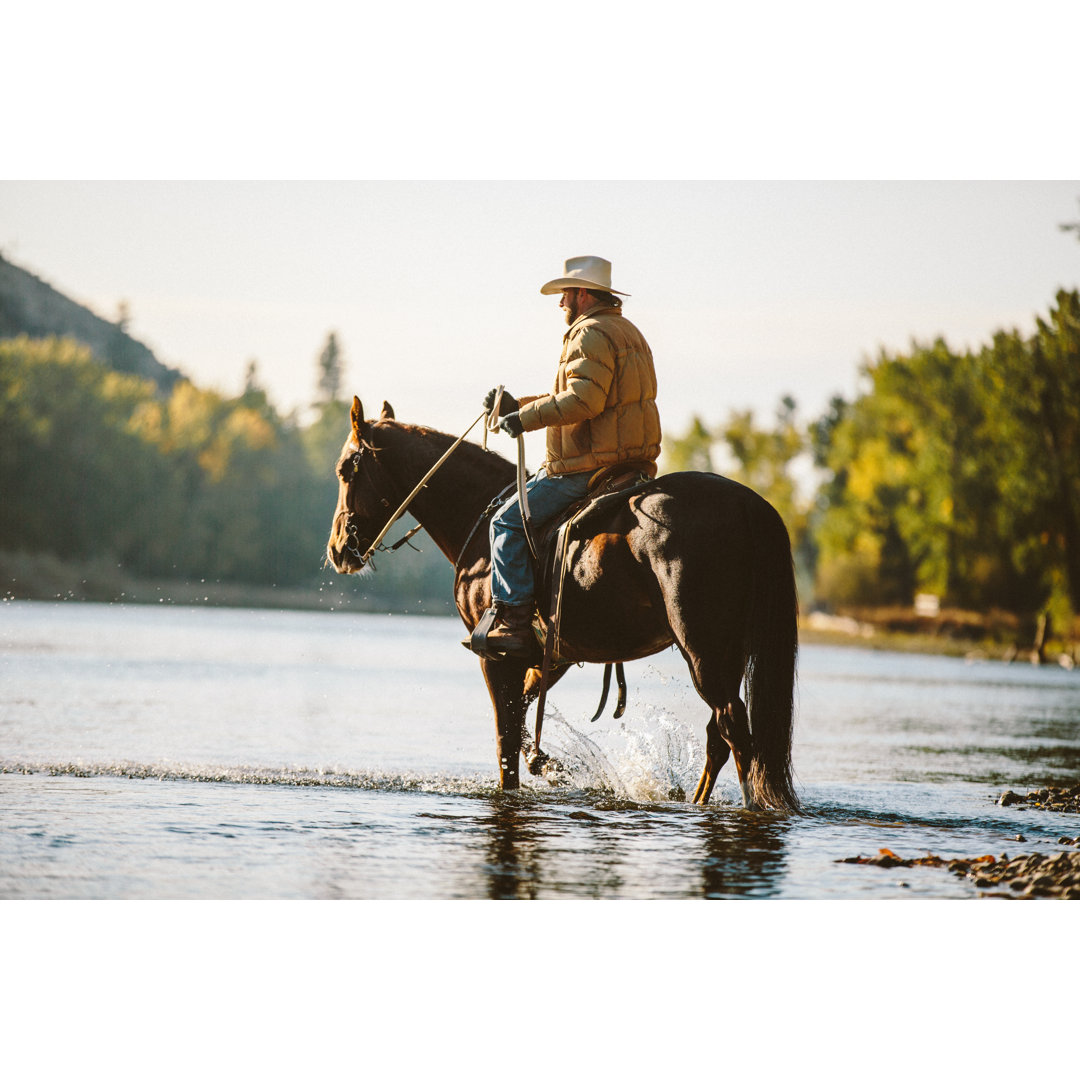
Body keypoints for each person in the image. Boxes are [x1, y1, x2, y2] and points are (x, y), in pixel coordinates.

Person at [478, 255, 661, 656]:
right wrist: (516, 407)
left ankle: (515, 624)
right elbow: (586, 396)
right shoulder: (626, 330)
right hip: (630, 464)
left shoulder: (589, 333)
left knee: (505, 524)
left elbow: (584, 400)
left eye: (564, 295)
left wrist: (523, 419)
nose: (560, 303)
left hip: (588, 467)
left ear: (581, 294)